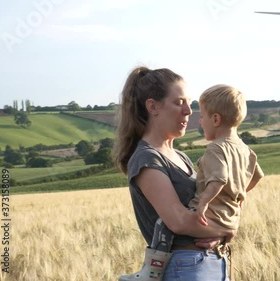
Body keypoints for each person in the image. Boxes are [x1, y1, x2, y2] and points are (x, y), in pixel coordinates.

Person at [113, 66, 235, 281]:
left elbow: (203, 213)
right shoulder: (147, 158)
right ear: (152, 107)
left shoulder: (181, 157)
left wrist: (220, 234)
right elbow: (178, 221)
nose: (189, 110)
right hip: (185, 267)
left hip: (212, 262)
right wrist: (226, 229)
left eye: (189, 102)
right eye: (179, 102)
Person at [189, 84, 264, 232]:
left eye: (202, 116)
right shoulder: (246, 150)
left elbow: (219, 179)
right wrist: (240, 194)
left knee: (163, 224)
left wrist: (203, 203)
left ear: (215, 119)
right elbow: (257, 176)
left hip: (207, 216)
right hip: (230, 218)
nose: (199, 121)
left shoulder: (216, 148)